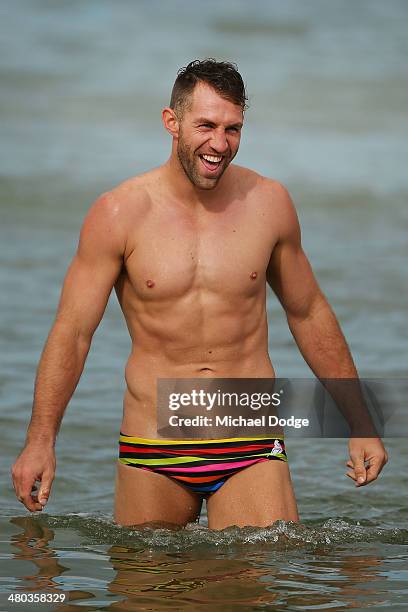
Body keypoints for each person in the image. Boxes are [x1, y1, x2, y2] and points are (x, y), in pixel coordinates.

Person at [11, 59, 388, 529]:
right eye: (206, 125)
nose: (220, 143)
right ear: (171, 122)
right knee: (151, 593)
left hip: (247, 438)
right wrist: (41, 440)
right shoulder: (119, 212)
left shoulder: (268, 203)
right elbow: (73, 332)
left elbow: (308, 312)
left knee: (249, 590)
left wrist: (362, 423)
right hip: (154, 443)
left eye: (233, 129)